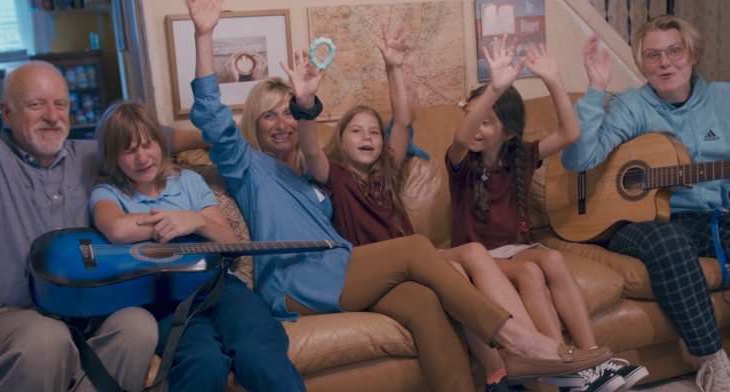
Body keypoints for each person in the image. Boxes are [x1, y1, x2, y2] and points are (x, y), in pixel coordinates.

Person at [186, 1, 615, 391]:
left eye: (289, 112)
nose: (281, 123)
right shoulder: (245, 164)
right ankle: (519, 341)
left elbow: (333, 140)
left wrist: (312, 103)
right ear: (253, 125)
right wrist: (204, 36)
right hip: (297, 279)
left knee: (424, 301)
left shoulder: (306, 173)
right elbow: (210, 117)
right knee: (414, 249)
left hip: (338, 269)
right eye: (269, 115)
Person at [446, 36, 648, 392]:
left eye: (487, 122)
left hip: (519, 249)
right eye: (474, 117)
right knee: (530, 270)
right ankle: (565, 364)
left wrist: (553, 79)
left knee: (552, 259)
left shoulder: (520, 155)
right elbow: (462, 136)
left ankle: (593, 359)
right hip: (485, 259)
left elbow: (571, 133)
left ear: (507, 132)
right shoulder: (461, 165)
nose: (477, 127)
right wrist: (493, 89)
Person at [561, 14, 730, 392]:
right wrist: (595, 90)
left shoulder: (724, 99)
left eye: (674, 51)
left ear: (692, 54)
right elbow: (577, 161)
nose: (665, 63)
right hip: (643, 226)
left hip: (711, 218)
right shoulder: (632, 105)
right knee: (668, 242)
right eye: (652, 56)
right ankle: (714, 362)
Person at [89, 100, 305, 392]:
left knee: (259, 349)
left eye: (148, 145)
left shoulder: (189, 181)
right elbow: (115, 227)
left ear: (160, 144)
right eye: (129, 151)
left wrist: (195, 221)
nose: (142, 158)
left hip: (218, 286)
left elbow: (231, 243)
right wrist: (167, 222)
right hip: (162, 298)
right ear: (113, 157)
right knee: (203, 361)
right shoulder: (107, 191)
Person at [0, 46, 157, 390]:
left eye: (60, 104)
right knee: (46, 339)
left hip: (93, 308)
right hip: (17, 315)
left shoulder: (90, 154)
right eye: (36, 105)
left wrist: (217, 138)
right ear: (6, 112)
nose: (51, 115)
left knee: (139, 325)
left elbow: (153, 138)